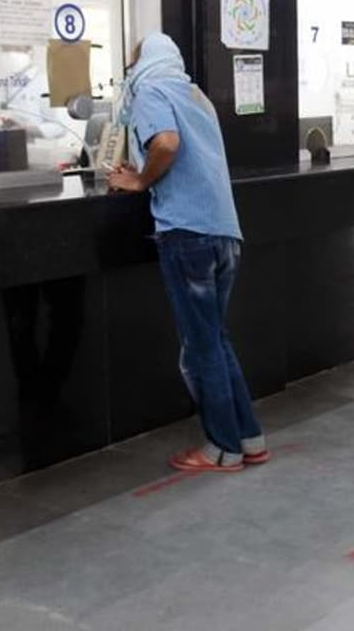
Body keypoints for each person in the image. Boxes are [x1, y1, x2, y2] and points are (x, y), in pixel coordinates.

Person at [108, 33, 267, 473]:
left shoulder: (150, 91)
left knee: (201, 348)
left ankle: (222, 449)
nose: (129, 69)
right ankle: (249, 439)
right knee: (215, 338)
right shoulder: (195, 94)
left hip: (187, 232)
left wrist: (139, 180)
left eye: (131, 61)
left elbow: (167, 143)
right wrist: (144, 170)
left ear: (142, 61)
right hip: (224, 231)